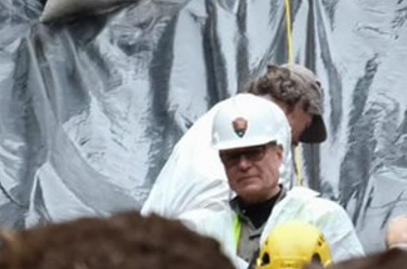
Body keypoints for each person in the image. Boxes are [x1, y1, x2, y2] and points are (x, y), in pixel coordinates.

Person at [178, 94, 361, 269]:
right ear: (222, 161)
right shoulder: (203, 229)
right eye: (232, 156)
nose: (243, 165)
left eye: (254, 152)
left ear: (279, 154)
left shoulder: (321, 217)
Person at [140, 63, 327, 218]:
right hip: (201, 241)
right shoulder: (271, 127)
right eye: (308, 125)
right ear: (300, 105)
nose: (297, 142)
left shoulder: (220, 115)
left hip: (161, 237)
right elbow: (271, 212)